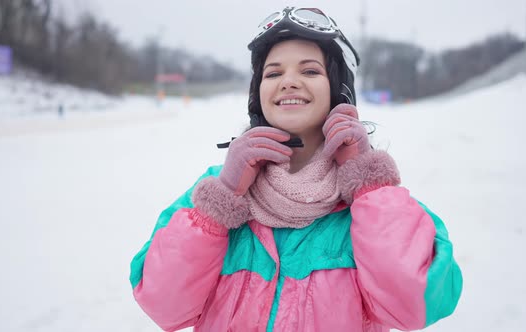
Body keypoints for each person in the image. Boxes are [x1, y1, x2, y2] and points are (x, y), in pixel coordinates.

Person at [130, 6, 463, 332]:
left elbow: (417, 305)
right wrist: (223, 198)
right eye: (273, 73)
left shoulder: (372, 204)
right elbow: (163, 306)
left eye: (310, 71)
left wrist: (367, 183)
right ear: (257, 95)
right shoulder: (213, 194)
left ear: (339, 91)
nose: (288, 82)